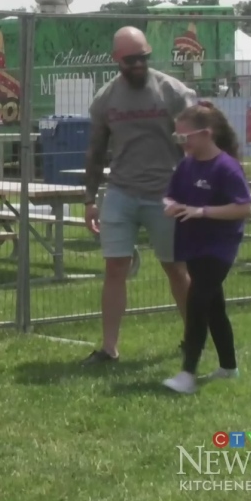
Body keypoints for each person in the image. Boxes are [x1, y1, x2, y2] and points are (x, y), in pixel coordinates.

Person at [82, 26, 198, 365]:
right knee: (115, 267)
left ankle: (194, 338)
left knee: (175, 269)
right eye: (131, 59)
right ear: (117, 60)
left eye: (143, 58)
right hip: (121, 192)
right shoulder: (106, 99)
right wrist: (89, 199)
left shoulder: (172, 91)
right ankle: (108, 349)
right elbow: (95, 151)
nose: (138, 64)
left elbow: (201, 134)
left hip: (166, 194)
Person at [161, 102, 251, 394]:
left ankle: (187, 374)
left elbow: (244, 207)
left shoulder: (226, 167)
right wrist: (171, 206)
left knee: (197, 301)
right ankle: (229, 367)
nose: (182, 142)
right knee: (214, 307)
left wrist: (202, 212)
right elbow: (169, 196)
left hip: (219, 247)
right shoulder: (186, 165)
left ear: (207, 134)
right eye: (179, 137)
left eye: (186, 136)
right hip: (193, 244)